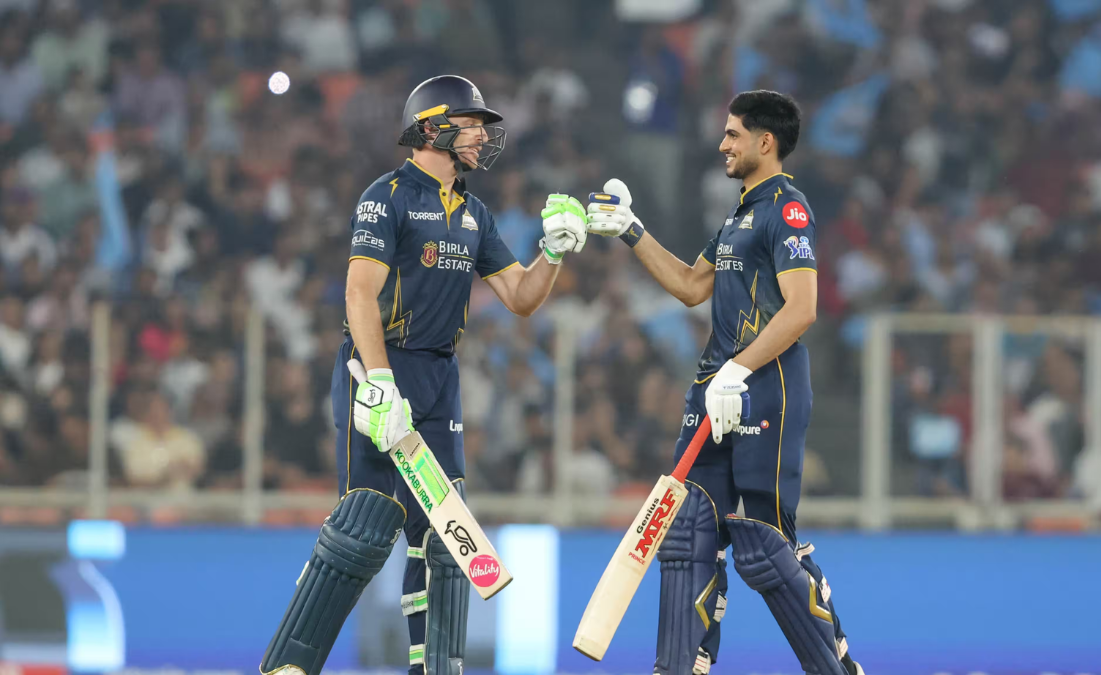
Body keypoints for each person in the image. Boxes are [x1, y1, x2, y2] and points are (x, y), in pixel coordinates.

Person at [260, 74, 586, 675]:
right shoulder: (385, 195)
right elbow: (360, 295)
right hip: (378, 363)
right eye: (472, 124)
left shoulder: (473, 212)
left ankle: (435, 668)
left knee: (444, 533)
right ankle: (291, 664)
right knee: (364, 524)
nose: (484, 135)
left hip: (439, 377)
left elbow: (520, 296)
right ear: (432, 125)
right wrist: (379, 384)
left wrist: (554, 251)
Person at [585, 90, 862, 675]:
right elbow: (690, 286)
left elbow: (803, 306)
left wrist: (740, 368)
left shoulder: (787, 209)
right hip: (714, 387)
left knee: (764, 546)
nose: (722, 144)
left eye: (733, 134)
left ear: (766, 142)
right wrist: (632, 230)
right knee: (687, 533)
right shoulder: (739, 214)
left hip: (767, 384)